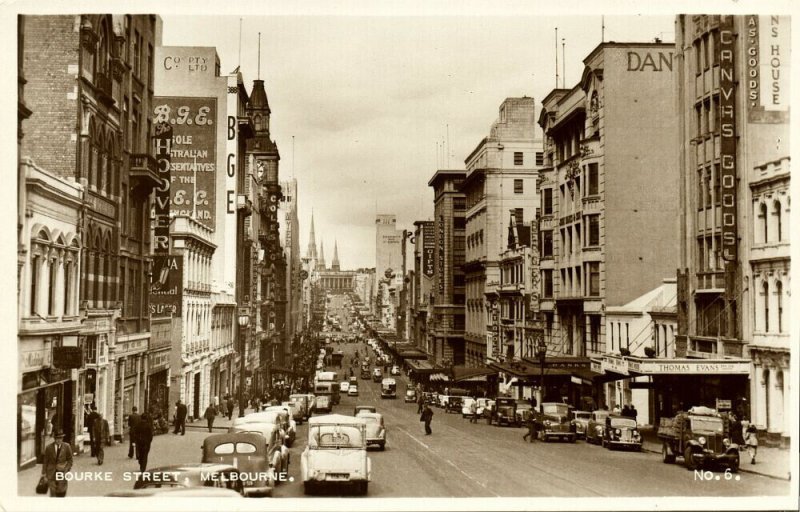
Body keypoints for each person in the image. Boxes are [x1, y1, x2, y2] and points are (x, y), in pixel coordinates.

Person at [41, 429, 72, 497]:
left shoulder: (67, 446)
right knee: (53, 493)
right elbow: (45, 461)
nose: (59, 440)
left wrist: (66, 470)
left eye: (60, 438)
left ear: (62, 438)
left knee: (61, 492)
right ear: (54, 438)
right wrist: (44, 473)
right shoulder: (49, 448)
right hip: (51, 472)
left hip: (62, 472)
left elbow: (70, 460)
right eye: (57, 438)